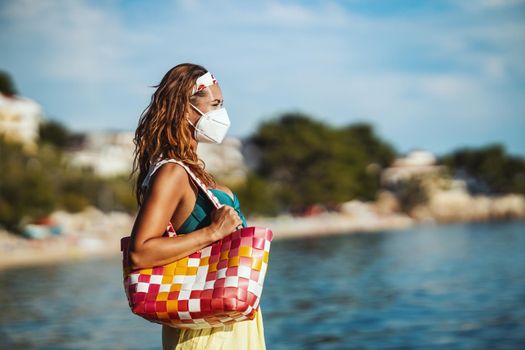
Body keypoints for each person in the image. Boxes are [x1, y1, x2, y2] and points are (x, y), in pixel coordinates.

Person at [128, 63, 267, 349]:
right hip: (206, 333)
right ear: (183, 108)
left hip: (233, 323)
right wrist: (213, 232)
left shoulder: (191, 172)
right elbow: (140, 253)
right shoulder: (172, 173)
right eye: (215, 104)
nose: (221, 114)